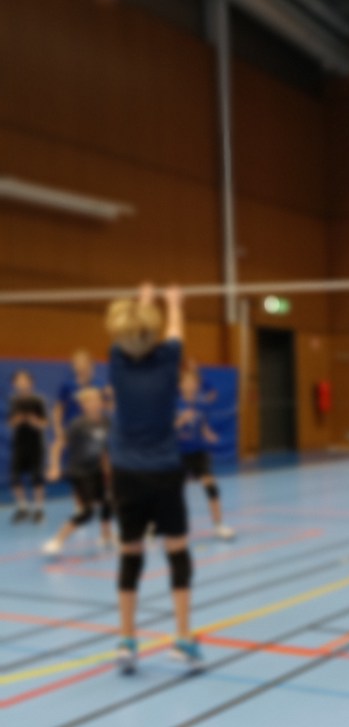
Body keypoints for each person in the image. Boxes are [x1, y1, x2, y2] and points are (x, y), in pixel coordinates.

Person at [106, 283, 202, 673]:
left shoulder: (115, 360)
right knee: (177, 552)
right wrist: (173, 301)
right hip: (163, 473)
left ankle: (127, 640)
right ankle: (182, 638)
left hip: (126, 475)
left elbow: (137, 332)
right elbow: (174, 329)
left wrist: (143, 298)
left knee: (131, 556)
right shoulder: (168, 360)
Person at [43, 387, 114, 555]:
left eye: (97, 400)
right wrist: (54, 467)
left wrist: (109, 471)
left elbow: (104, 450)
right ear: (83, 406)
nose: (95, 403)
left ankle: (106, 537)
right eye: (89, 401)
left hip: (98, 470)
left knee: (108, 503)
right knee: (87, 511)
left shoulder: (106, 422)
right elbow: (57, 446)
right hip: (80, 472)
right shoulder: (77, 425)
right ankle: (57, 540)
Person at [177, 370, 234, 540]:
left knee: (211, 486)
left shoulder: (202, 404)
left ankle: (218, 525)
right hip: (178, 453)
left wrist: (208, 433)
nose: (190, 385)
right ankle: (161, 525)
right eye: (186, 381)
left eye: (193, 382)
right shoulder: (174, 404)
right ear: (180, 385)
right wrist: (181, 421)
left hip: (199, 452)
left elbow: (202, 425)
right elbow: (165, 430)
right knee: (171, 493)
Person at [7, 370, 48, 524]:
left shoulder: (38, 401)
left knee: (37, 477)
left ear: (31, 383)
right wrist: (18, 419)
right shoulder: (13, 401)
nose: (22, 383)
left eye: (25, 380)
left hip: (35, 445)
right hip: (19, 445)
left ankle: (39, 509)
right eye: (19, 381)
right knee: (15, 477)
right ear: (14, 384)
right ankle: (23, 507)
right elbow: (11, 423)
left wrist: (33, 421)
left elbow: (44, 424)